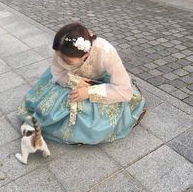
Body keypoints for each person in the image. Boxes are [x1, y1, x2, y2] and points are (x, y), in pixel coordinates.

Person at [18, 23, 146, 144]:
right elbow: (57, 73)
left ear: (86, 54)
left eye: (66, 60)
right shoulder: (62, 50)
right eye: (58, 55)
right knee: (49, 109)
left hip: (100, 82)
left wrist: (89, 92)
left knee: (96, 125)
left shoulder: (106, 51)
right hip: (70, 78)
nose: (60, 60)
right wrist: (72, 81)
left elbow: (124, 91)